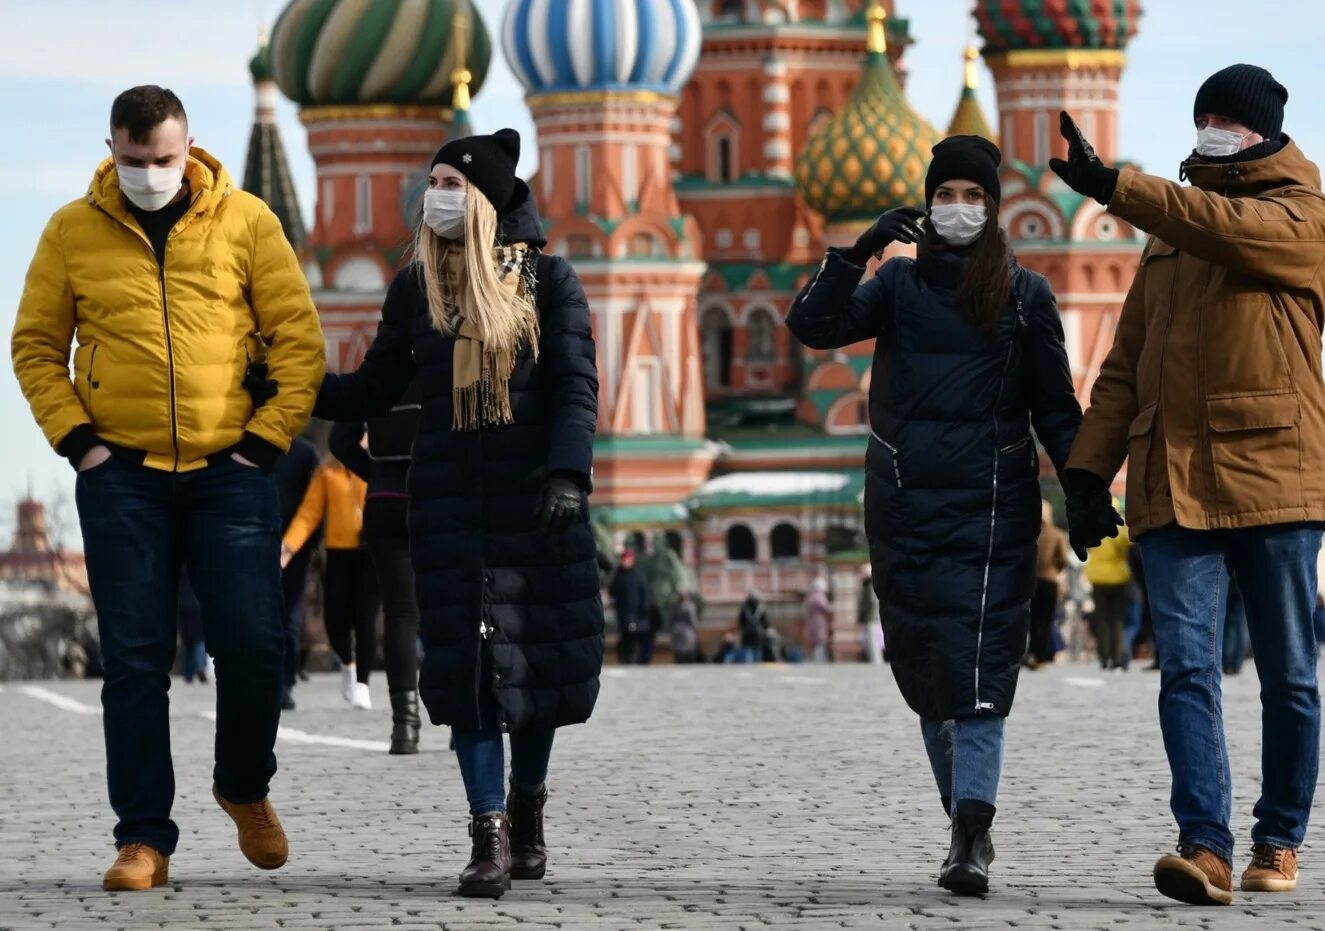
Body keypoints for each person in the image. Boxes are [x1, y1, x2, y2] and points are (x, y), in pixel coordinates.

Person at [11, 86, 324, 891]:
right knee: (136, 661)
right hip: (123, 478)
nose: (149, 173)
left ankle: (243, 785)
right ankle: (143, 837)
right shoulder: (72, 230)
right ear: (110, 147)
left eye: (163, 158)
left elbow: (298, 338)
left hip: (232, 471)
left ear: (190, 148)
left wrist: (265, 440)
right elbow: (36, 344)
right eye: (134, 158)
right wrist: (80, 444)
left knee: (256, 645)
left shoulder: (247, 221)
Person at [1053, 65, 1325, 904]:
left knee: (1288, 674)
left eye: (1225, 118)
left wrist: (1116, 187)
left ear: (1263, 130)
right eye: (1202, 114)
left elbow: (1223, 226)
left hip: (1275, 478)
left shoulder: (1300, 216)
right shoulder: (1166, 234)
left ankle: (1276, 838)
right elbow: (1125, 366)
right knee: (1185, 672)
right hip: (1173, 485)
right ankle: (1203, 845)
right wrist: (1087, 473)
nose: (1211, 127)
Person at [309, 129, 603, 898]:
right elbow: (374, 386)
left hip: (534, 505)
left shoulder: (549, 282)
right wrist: (293, 382)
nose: (432, 194)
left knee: (533, 672)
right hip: (449, 510)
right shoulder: (416, 289)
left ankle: (527, 804)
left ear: (484, 198)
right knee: (468, 675)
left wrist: (569, 475)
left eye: (448, 181)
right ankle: (487, 832)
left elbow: (575, 384)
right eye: (431, 179)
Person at [787, 135, 1082, 895]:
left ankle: (970, 835)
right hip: (905, 506)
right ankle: (962, 816)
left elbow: (1055, 407)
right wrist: (857, 253)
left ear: (993, 209)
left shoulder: (1024, 295)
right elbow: (813, 328)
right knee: (924, 673)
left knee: (978, 676)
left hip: (990, 512)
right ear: (924, 206)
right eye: (944, 196)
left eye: (973, 197)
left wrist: (1082, 490)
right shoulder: (897, 287)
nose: (957, 210)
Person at [329, 403, 424, 752]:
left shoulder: (378, 366)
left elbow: (340, 441)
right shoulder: (446, 359)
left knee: (400, 613)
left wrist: (376, 473)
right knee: (452, 608)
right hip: (437, 498)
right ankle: (464, 723)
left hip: (384, 501)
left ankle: (405, 726)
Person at [281, 452, 380, 710]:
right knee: (334, 620)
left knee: (365, 616)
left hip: (370, 551)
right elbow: (309, 513)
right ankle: (348, 662)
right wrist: (289, 546)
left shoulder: (377, 464)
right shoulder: (327, 471)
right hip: (338, 554)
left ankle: (362, 683)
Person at [272, 432, 320, 710]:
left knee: (282, 616)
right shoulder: (305, 452)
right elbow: (313, 506)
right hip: (294, 545)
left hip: (272, 542)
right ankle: (284, 683)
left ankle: (282, 682)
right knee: (289, 615)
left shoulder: (249, 446)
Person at [1083, 514, 1132, 671]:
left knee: (1102, 618)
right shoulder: (1119, 528)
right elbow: (1128, 542)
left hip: (1097, 577)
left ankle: (1103, 657)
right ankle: (1116, 657)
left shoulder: (1093, 525)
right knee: (1117, 619)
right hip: (1118, 577)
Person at [1029, 501, 1069, 667]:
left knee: (1033, 619)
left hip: (1032, 580)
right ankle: (1042, 654)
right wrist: (1056, 569)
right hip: (1050, 580)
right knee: (1046, 619)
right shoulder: (1058, 534)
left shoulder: (1031, 534)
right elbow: (1063, 559)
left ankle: (1032, 651)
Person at [609, 549, 652, 665]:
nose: (625, 562)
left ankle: (633, 657)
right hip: (624, 613)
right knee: (625, 635)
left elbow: (645, 593)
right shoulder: (619, 575)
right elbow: (611, 591)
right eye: (623, 560)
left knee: (634, 634)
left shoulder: (638, 575)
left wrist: (644, 608)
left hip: (636, 614)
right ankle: (624, 658)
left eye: (627, 560)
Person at [177, 569, 207, 684]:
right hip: (196, 604)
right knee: (200, 639)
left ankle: (188, 672)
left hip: (181, 606)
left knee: (187, 641)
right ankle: (200, 666)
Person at [1223, 574, 1250, 676]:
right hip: (1242, 584)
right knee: (1240, 624)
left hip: (1230, 582)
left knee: (1230, 623)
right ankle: (1236, 662)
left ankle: (1228, 661)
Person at [858, 566, 883, 663]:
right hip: (872, 616)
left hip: (871, 616)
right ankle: (875, 660)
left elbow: (871, 602)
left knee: (873, 640)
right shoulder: (869, 584)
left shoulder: (869, 585)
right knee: (872, 639)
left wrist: (864, 613)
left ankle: (876, 660)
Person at [804, 577, 832, 662]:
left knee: (816, 642)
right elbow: (826, 607)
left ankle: (817, 659)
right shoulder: (819, 596)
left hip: (813, 621)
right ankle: (819, 660)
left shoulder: (811, 595)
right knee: (820, 641)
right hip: (819, 622)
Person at [669, 590, 701, 664]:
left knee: (678, 648)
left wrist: (671, 629)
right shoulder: (690, 606)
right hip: (687, 629)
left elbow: (671, 619)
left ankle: (680, 662)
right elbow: (692, 619)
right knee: (688, 648)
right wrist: (696, 627)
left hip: (676, 629)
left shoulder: (675, 605)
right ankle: (687, 662)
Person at [736, 592, 768, 664]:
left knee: (748, 657)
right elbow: (765, 623)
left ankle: (750, 668)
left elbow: (741, 622)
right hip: (757, 635)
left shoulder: (744, 608)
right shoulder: (761, 608)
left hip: (747, 635)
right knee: (757, 655)